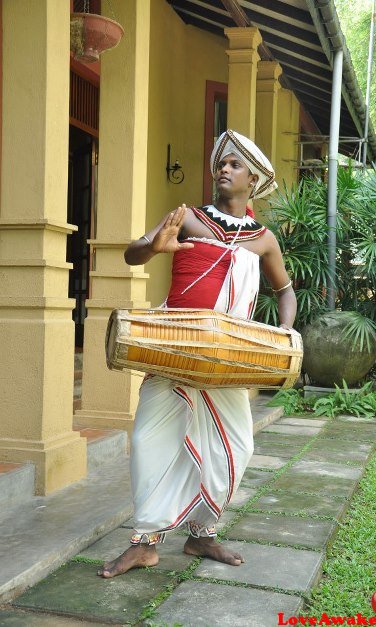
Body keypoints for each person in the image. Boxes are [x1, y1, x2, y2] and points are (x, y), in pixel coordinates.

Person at [98, 129, 297, 578]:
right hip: (175, 346)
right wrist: (154, 246)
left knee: (237, 447)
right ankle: (144, 544)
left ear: (254, 180)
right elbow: (133, 253)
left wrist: (283, 333)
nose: (223, 169)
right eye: (220, 163)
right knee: (149, 439)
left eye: (234, 165)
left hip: (227, 359)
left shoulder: (264, 239)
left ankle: (201, 535)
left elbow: (286, 291)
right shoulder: (187, 217)